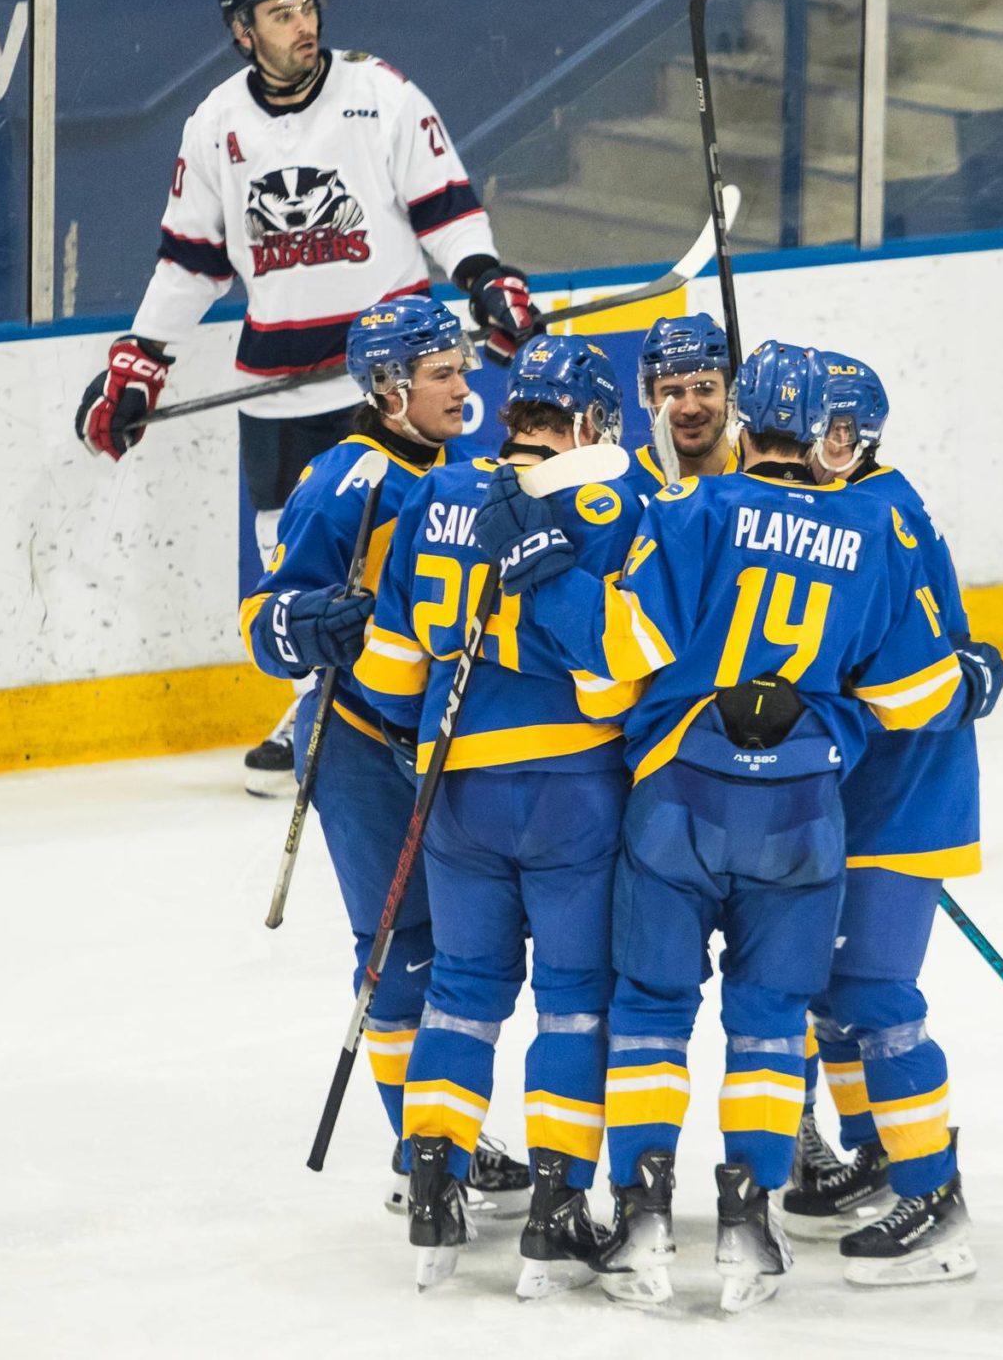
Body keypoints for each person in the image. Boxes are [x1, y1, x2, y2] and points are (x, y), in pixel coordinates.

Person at [521, 341, 976, 1313]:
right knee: (777, 1019)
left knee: (654, 1008)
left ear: (739, 413)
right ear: (831, 432)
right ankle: (747, 1223)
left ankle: (645, 1214)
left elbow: (613, 665)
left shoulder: (690, 510)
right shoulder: (872, 520)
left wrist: (547, 583)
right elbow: (916, 688)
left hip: (681, 801)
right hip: (811, 809)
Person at [76, 0, 538, 792]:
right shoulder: (214, 124)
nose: (305, 25)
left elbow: (447, 210)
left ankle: (436, 695)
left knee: (417, 540)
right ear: (242, 33)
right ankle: (317, 700)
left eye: (307, 6)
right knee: (295, 556)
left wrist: (484, 278)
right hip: (278, 382)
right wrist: (140, 361)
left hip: (391, 381)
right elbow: (191, 261)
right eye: (281, 15)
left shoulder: (381, 94)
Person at [351, 333, 644, 1295]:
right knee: (572, 999)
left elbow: (391, 673)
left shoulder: (435, 492)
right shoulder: (604, 496)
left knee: (464, 989)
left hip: (453, 794)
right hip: (569, 793)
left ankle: (434, 1186)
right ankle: (557, 1206)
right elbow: (611, 682)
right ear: (591, 422)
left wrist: (425, 731)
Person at [235, 296, 525, 1214]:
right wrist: (305, 624)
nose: (463, 383)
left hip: (439, 741)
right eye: (441, 372)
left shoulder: (464, 468)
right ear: (389, 387)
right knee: (403, 946)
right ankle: (423, 1149)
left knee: (462, 943)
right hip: (359, 744)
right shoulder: (343, 481)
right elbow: (263, 618)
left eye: (462, 366)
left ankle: (441, 1130)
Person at [780, 352, 1002, 1286]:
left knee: (873, 995)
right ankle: (877, 1152)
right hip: (854, 793)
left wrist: (967, 679)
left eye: (837, 432)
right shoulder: (844, 507)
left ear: (864, 436)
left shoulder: (880, 514)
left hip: (905, 799)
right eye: (809, 429)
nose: (821, 447)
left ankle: (934, 1193)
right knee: (832, 997)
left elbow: (914, 689)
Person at [630, 311, 741, 488]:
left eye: (705, 389)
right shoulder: (622, 488)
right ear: (650, 398)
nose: (690, 409)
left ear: (730, 392)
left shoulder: (760, 475)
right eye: (672, 393)